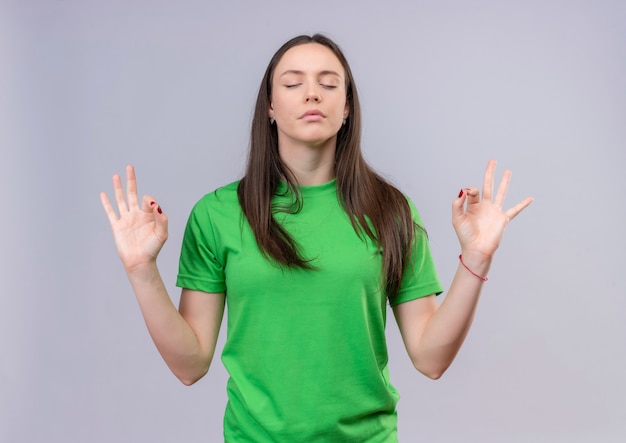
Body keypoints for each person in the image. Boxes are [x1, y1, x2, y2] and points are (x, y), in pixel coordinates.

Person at [100, 34, 533, 442]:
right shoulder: (217, 215)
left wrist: (476, 257)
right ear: (269, 106)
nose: (312, 94)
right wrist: (141, 271)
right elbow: (190, 364)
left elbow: (431, 359)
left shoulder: (391, 211)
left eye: (329, 84)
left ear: (346, 108)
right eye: (293, 83)